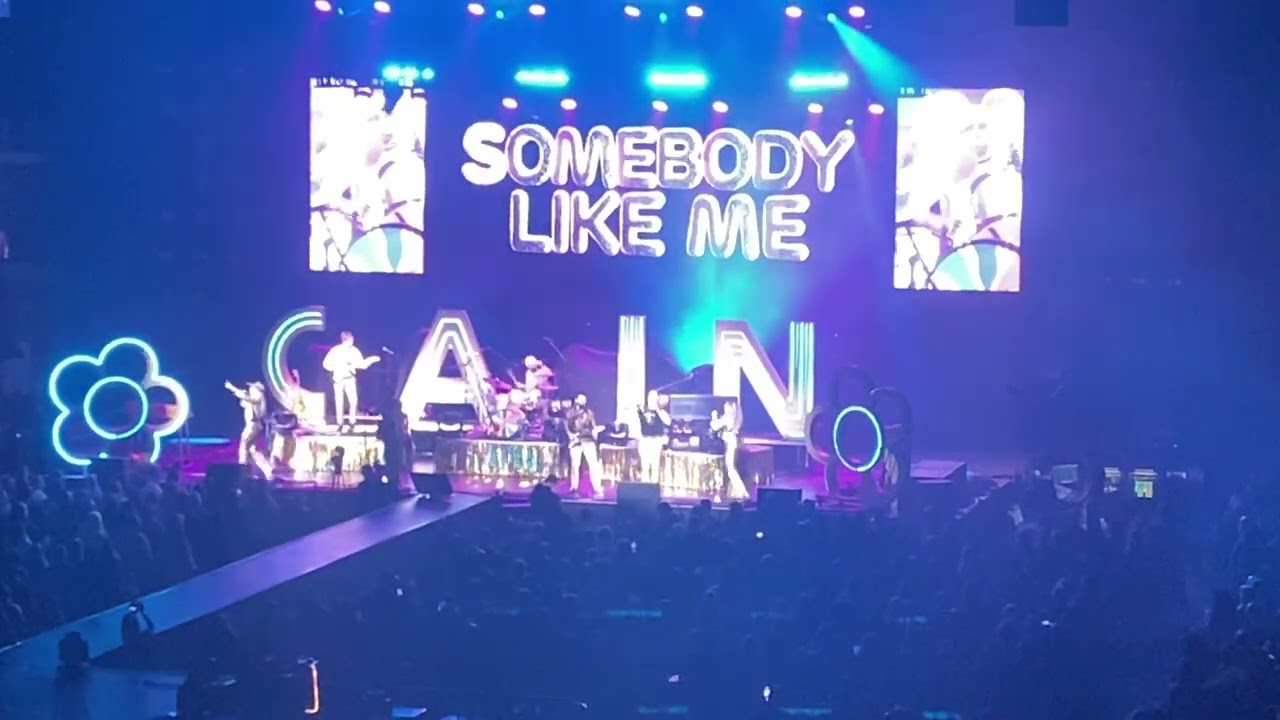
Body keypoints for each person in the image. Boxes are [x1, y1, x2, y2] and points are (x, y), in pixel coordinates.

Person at [321, 332, 380, 429]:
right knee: (339, 402)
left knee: (353, 401)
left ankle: (352, 423)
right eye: (352, 338)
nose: (353, 340)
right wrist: (336, 368)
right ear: (347, 339)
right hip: (338, 380)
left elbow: (362, 365)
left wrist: (372, 359)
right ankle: (340, 424)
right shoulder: (335, 350)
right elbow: (325, 364)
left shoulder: (354, 351)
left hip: (350, 379)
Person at [564, 393, 603, 498]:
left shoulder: (589, 413)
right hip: (575, 441)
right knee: (575, 465)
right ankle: (574, 488)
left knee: (593, 464)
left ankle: (597, 488)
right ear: (576, 400)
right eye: (581, 399)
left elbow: (593, 426)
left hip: (588, 440)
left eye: (584, 400)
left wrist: (595, 433)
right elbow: (567, 426)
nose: (582, 402)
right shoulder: (570, 413)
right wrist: (571, 436)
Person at [710, 398, 748, 500]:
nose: (724, 407)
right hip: (733, 443)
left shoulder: (727, 418)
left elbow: (714, 426)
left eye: (726, 405)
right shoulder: (735, 418)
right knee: (732, 468)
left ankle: (742, 492)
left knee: (731, 469)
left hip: (731, 444)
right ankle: (736, 492)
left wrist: (714, 416)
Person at [225, 380, 267, 465]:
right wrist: (238, 392)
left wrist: (232, 388)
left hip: (253, 425)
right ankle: (264, 467)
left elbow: (248, 399)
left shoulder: (257, 397)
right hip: (254, 425)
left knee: (244, 443)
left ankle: (243, 465)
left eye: (252, 388)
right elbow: (244, 401)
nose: (250, 389)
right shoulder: (253, 399)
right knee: (252, 449)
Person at [636, 390, 671, 485]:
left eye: (654, 398)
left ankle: (654, 486)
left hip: (656, 441)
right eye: (650, 398)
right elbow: (639, 423)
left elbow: (668, 422)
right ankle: (645, 486)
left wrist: (658, 410)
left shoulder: (661, 412)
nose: (652, 400)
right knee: (645, 466)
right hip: (645, 440)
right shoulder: (642, 410)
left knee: (655, 465)